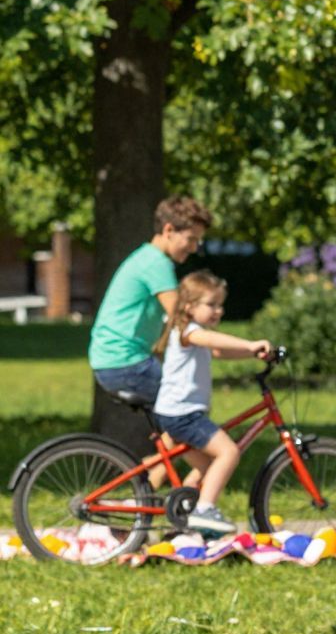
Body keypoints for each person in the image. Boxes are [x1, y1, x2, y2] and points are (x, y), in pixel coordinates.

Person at [151, 272, 273, 537]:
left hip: (178, 413)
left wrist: (253, 353)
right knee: (228, 453)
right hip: (183, 414)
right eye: (211, 304)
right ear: (188, 306)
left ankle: (185, 516)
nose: (219, 310)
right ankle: (204, 511)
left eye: (220, 304)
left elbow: (219, 350)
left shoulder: (193, 332)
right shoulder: (189, 331)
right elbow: (212, 342)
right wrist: (251, 344)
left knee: (206, 469)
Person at [88, 196, 212, 409]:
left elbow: (170, 322)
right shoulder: (156, 263)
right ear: (169, 230)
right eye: (191, 239)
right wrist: (222, 343)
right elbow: (180, 316)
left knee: (182, 418)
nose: (194, 248)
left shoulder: (147, 258)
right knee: (188, 409)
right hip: (124, 362)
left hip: (114, 360)